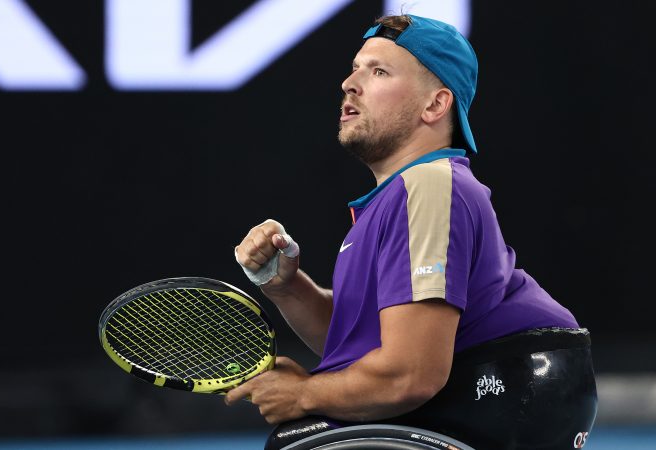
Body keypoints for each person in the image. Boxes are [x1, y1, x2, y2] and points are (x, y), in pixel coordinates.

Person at [229, 14, 597, 450]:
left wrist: (304, 393)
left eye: (379, 71)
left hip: (506, 391)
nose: (350, 83)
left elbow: (411, 373)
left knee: (296, 443)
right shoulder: (399, 197)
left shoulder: (429, 186)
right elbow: (367, 346)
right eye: (355, 68)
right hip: (498, 389)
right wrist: (286, 288)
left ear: (435, 105)